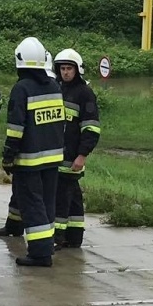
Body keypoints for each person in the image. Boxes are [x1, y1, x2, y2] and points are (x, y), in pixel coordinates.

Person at [0, 36, 65, 267]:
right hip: (54, 157)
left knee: (33, 204)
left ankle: (39, 252)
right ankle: (48, 246)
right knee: (47, 203)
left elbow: (16, 128)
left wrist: (8, 155)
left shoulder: (21, 89)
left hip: (30, 160)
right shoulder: (55, 86)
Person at [52, 49, 101, 248]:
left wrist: (82, 156)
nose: (65, 72)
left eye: (69, 69)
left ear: (77, 70)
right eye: (62, 68)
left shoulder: (84, 93)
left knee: (61, 199)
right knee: (73, 198)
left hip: (72, 157)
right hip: (58, 156)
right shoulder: (58, 89)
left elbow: (91, 128)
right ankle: (74, 237)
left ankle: (57, 237)